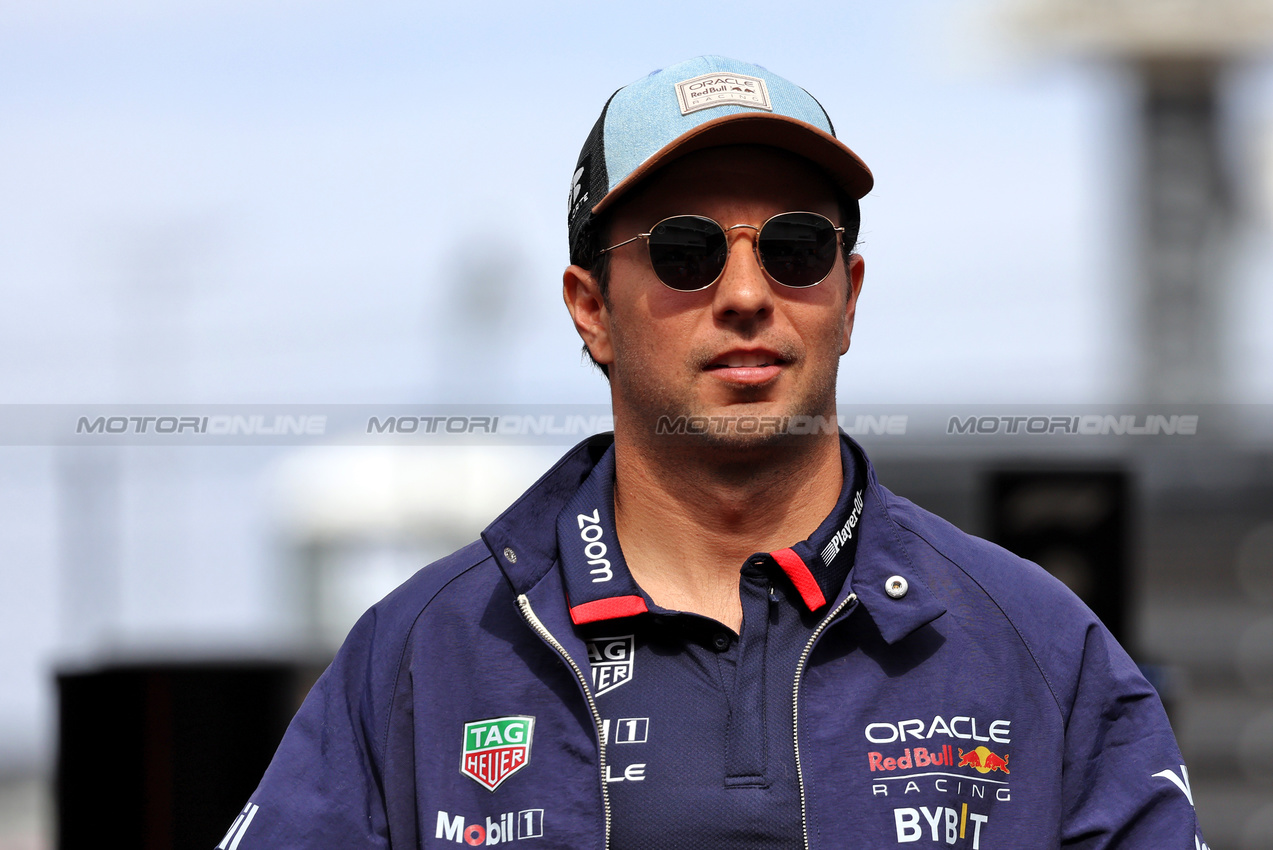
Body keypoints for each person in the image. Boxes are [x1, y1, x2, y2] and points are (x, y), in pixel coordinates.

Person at [221, 56, 1206, 850]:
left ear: (848, 297)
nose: (745, 293)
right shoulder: (422, 657)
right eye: (687, 251)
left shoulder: (1038, 650)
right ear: (590, 308)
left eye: (794, 248)